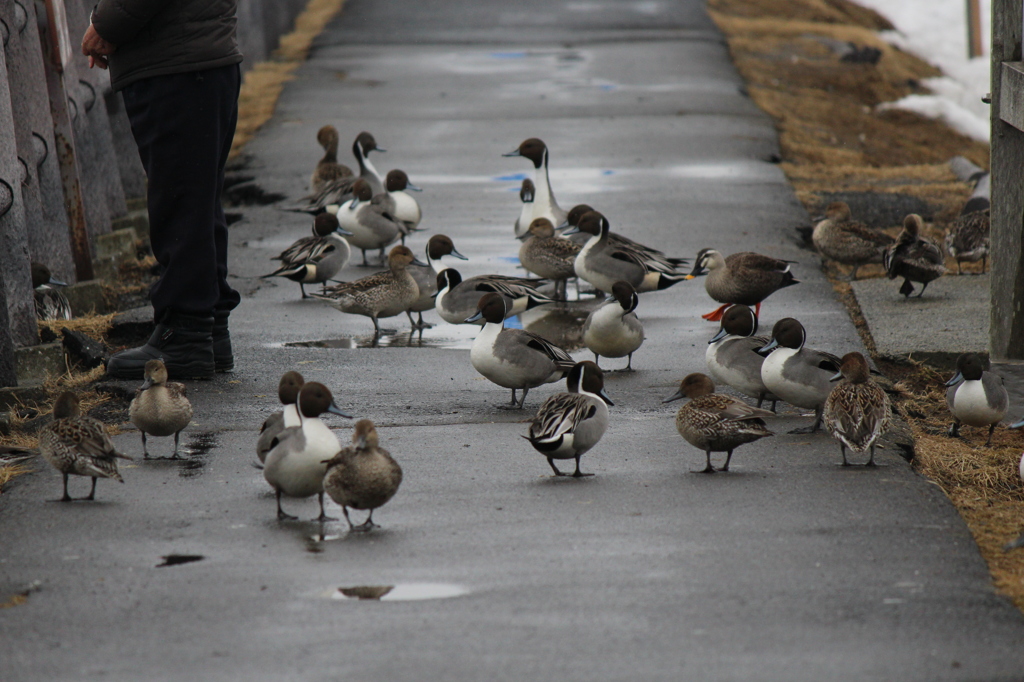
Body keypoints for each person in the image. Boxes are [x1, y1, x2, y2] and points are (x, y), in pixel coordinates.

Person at [82, 0, 243, 380]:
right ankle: (208, 327)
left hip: (176, 64)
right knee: (197, 201)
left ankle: (183, 335)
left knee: (181, 203)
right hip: (201, 58)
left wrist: (106, 25)